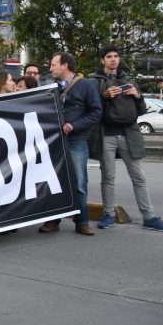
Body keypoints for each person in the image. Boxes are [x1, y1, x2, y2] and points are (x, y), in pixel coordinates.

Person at [89, 45, 163, 232]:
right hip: (105, 135)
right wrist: (104, 96)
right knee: (108, 178)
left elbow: (141, 111)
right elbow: (91, 110)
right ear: (102, 60)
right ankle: (108, 215)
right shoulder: (94, 81)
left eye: (116, 56)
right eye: (109, 56)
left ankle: (149, 217)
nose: (113, 59)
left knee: (139, 177)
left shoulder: (129, 80)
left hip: (129, 133)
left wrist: (138, 95)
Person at [39, 52, 101, 236]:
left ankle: (82, 221)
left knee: (79, 183)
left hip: (76, 141)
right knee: (53, 182)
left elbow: (96, 112)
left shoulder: (86, 86)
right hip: (54, 141)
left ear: (65, 65)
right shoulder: (51, 87)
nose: (51, 68)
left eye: (54, 64)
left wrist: (74, 125)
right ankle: (53, 220)